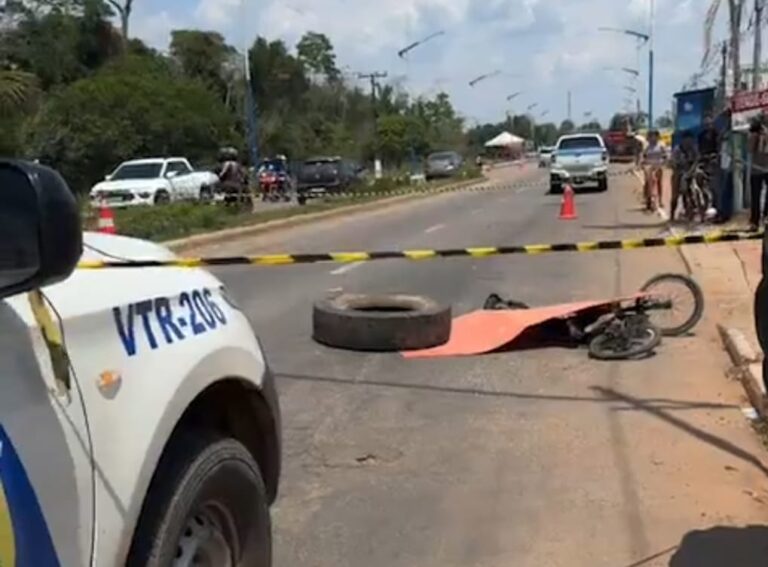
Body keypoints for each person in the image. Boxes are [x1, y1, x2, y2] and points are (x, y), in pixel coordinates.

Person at [669, 130, 699, 223]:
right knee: (675, 195)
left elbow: (696, 161)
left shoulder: (693, 149)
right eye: (686, 140)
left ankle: (691, 212)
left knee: (692, 192)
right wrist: (680, 172)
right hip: (678, 173)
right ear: (683, 140)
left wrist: (690, 172)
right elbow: (673, 163)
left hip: (690, 172)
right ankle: (672, 215)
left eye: (690, 140)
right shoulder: (677, 150)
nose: (688, 142)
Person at [748, 114, 768, 231]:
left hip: (767, 168)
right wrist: (755, 136)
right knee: (755, 196)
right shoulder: (754, 134)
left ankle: (766, 216)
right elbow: (750, 149)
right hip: (756, 169)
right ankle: (754, 221)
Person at [641, 129, 668, 212]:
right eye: (651, 136)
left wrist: (664, 163)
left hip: (659, 166)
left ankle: (660, 200)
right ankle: (648, 199)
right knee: (648, 183)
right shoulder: (646, 146)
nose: (652, 138)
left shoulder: (661, 145)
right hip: (649, 166)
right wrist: (643, 164)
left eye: (654, 136)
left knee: (659, 183)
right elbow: (643, 156)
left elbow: (665, 156)